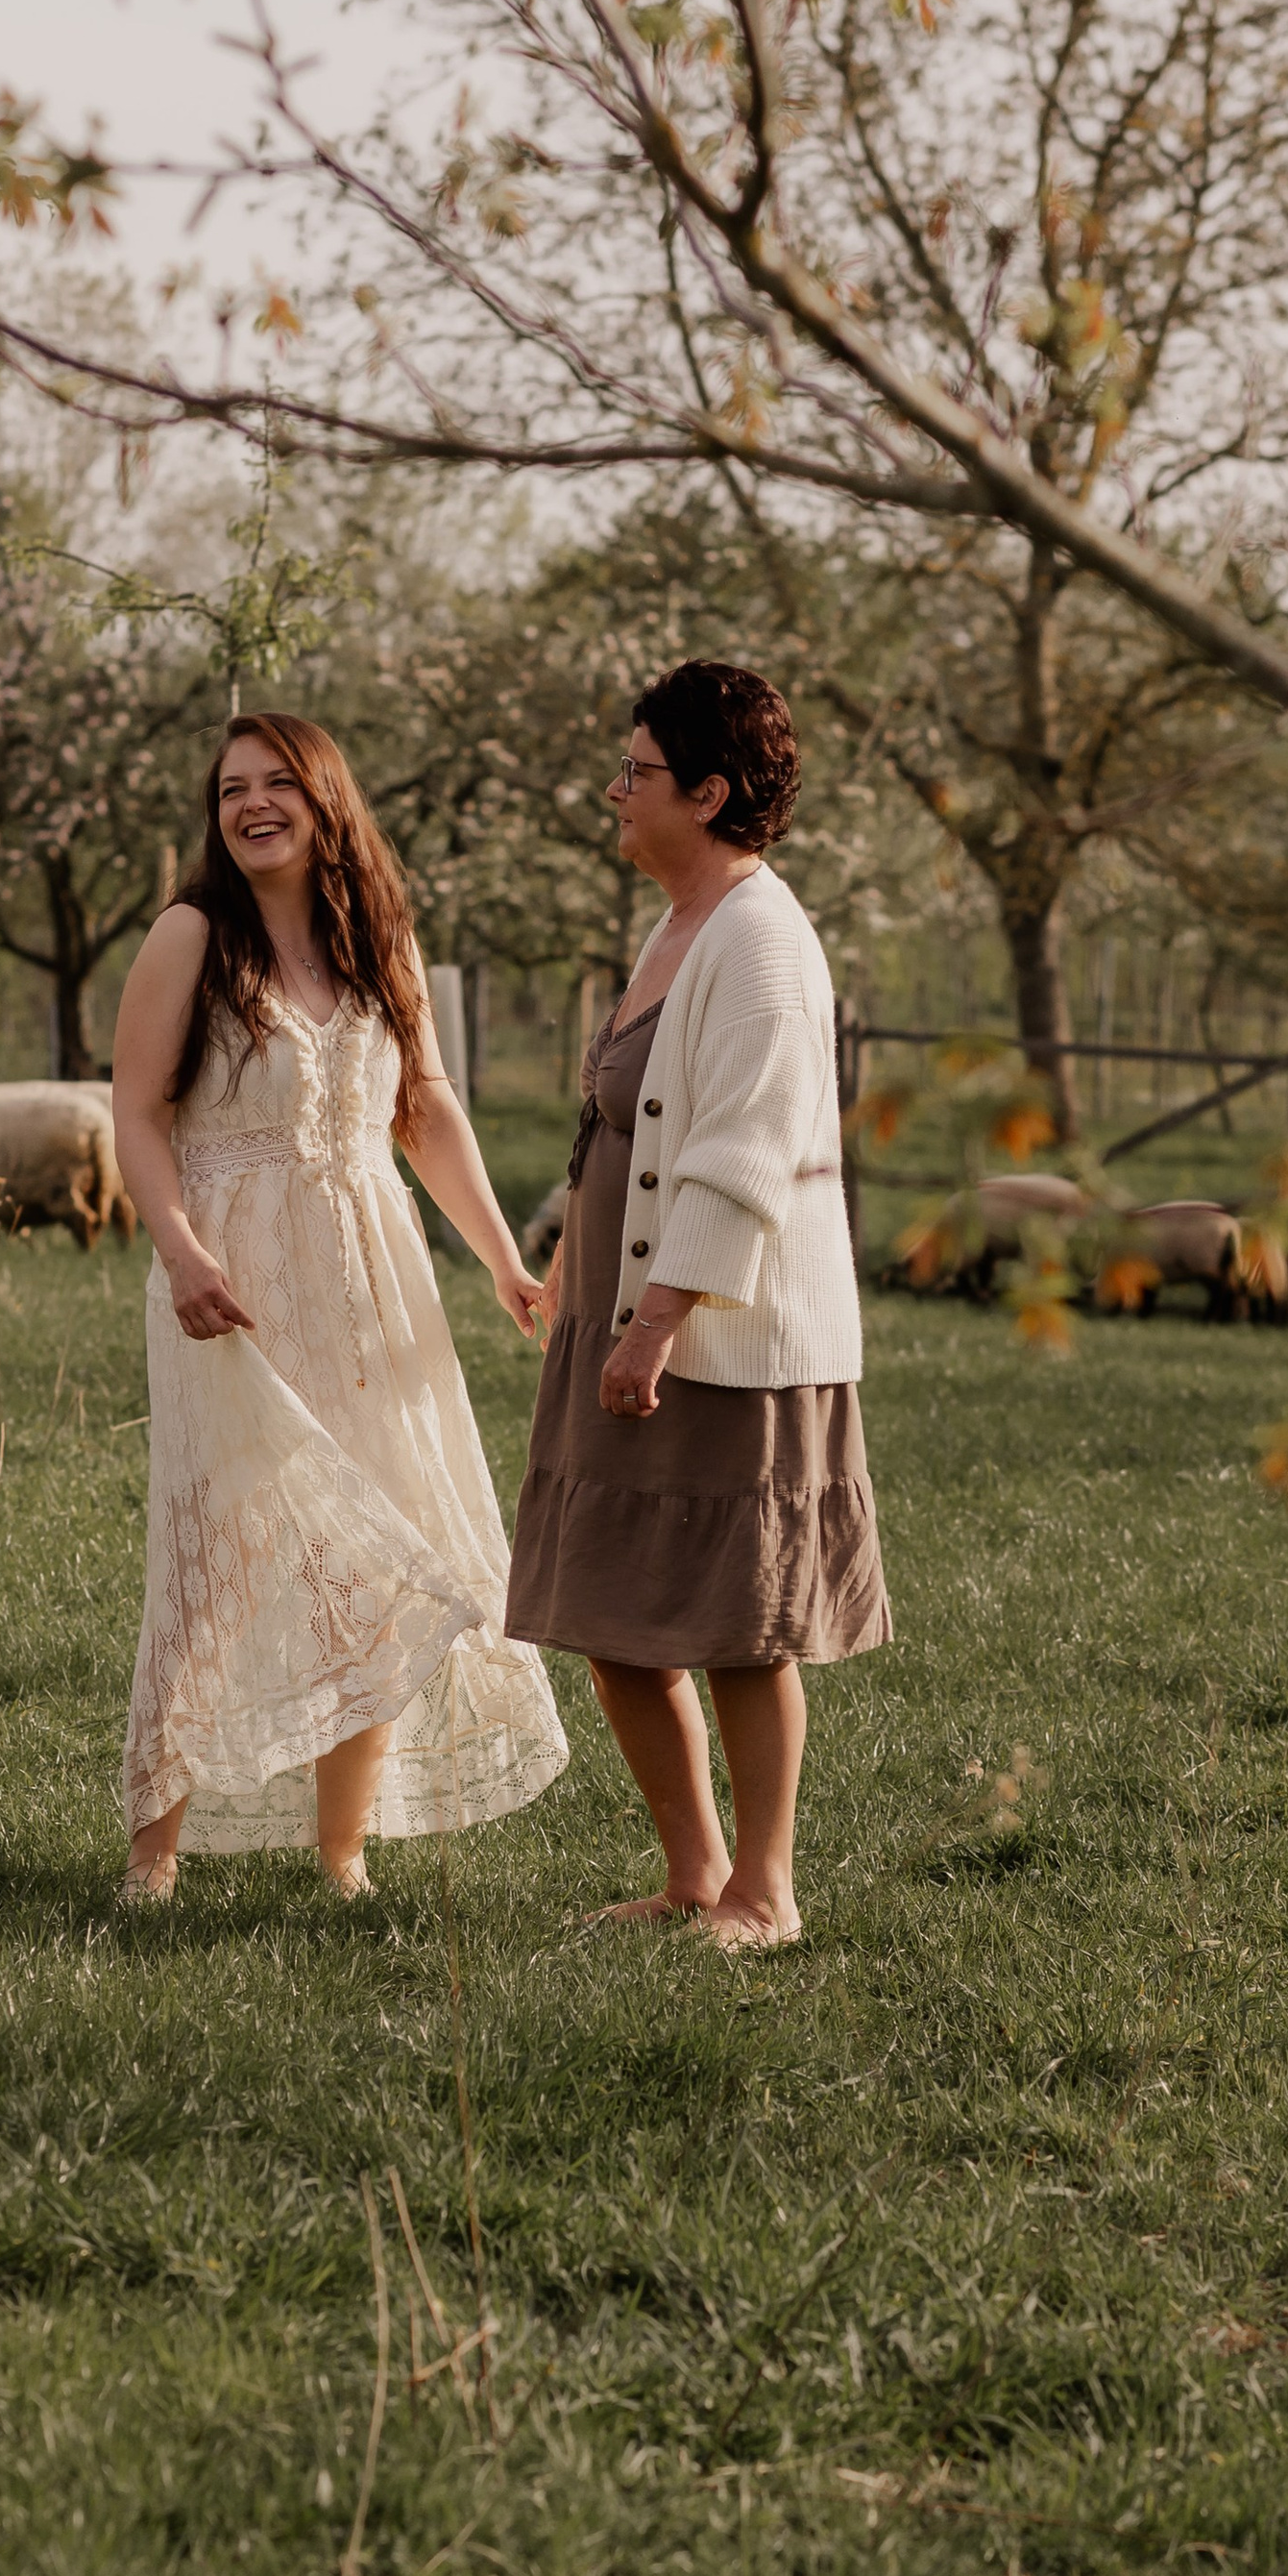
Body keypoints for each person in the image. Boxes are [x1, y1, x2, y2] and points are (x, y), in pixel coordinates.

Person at [109, 712, 567, 1903]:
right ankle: (150, 1859)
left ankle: (341, 1855)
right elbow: (138, 1115)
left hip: (370, 1276)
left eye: (276, 785)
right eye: (228, 790)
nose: (251, 805)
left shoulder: (381, 939)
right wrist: (181, 1251)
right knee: (218, 1556)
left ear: (324, 799)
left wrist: (506, 1265)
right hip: (233, 1279)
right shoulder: (188, 936)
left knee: (379, 1561)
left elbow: (425, 1110)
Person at [505, 661, 888, 1948]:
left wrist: (660, 1313)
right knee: (612, 1607)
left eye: (636, 772)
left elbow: (742, 1149)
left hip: (719, 1337)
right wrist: (575, 1259)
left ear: (711, 791)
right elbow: (624, 1117)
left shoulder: (762, 938)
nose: (615, 792)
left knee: (737, 1620)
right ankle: (692, 1873)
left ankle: (766, 1891)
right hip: (623, 1316)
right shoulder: (676, 923)